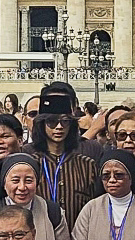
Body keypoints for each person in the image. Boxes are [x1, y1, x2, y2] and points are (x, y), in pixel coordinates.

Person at [29, 91, 100, 232]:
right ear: (42, 124)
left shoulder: (87, 165)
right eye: (52, 122)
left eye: (65, 121)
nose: (59, 127)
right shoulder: (31, 165)